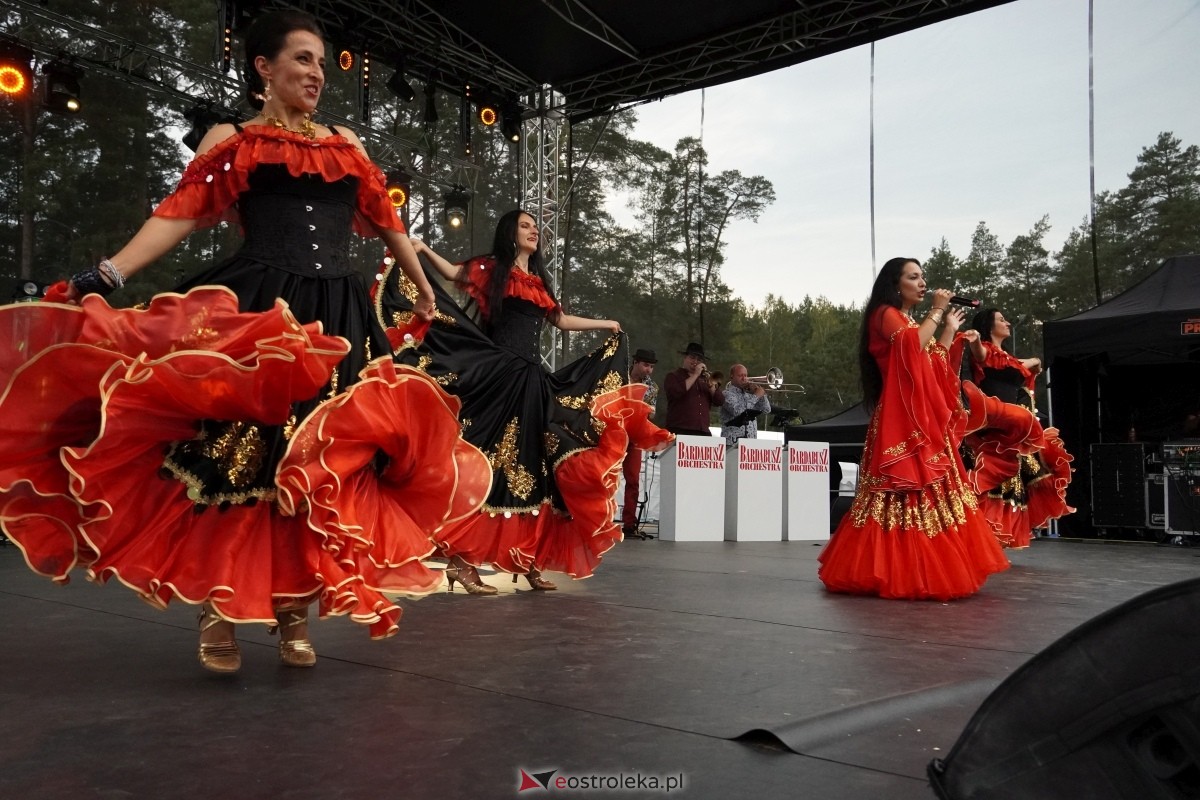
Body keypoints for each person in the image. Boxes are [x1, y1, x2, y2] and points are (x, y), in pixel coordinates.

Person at [0, 10, 486, 673]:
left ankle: (292, 609)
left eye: (321, 62)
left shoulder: (347, 141)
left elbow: (385, 217)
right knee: (242, 459)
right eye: (303, 60)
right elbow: (178, 215)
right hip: (262, 309)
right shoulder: (233, 138)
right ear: (264, 68)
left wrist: (419, 282)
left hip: (338, 314)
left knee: (314, 463)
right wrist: (108, 271)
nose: (317, 73)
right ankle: (221, 607)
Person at [375, 210, 672, 593]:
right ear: (510, 233)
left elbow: (561, 321)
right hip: (499, 377)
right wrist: (421, 248)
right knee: (490, 461)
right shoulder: (493, 268)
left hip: (531, 379)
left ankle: (528, 558)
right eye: (525, 226)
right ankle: (462, 560)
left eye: (535, 227)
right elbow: (452, 273)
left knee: (536, 465)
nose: (534, 231)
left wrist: (605, 324)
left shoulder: (539, 282)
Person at [817, 257, 1011, 600]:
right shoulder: (884, 314)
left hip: (919, 417)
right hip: (899, 418)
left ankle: (925, 566)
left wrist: (949, 329)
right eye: (914, 277)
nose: (922, 283)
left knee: (932, 487)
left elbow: (931, 361)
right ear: (896, 284)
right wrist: (936, 312)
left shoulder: (906, 319)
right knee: (899, 488)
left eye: (923, 277)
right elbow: (910, 348)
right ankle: (892, 569)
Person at [966, 308, 1073, 548]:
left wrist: (1034, 361)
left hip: (1014, 429)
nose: (1007, 323)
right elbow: (980, 354)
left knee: (1013, 482)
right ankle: (979, 533)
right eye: (1001, 320)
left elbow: (1027, 366)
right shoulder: (986, 350)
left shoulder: (1008, 358)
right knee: (993, 477)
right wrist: (973, 341)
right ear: (988, 326)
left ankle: (996, 536)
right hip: (995, 426)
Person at [621, 348, 659, 539]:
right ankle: (597, 520)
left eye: (651, 367)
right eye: (646, 365)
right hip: (613, 432)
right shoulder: (618, 375)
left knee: (633, 480)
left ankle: (628, 524)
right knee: (604, 477)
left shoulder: (652, 387)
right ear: (635, 362)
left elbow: (652, 414)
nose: (649, 370)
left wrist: (645, 410)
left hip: (634, 435)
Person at [664, 342, 724, 436]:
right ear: (685, 358)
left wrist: (711, 385)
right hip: (680, 429)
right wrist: (696, 374)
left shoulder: (706, 378)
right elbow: (675, 392)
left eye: (699, 360)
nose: (695, 362)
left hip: (703, 430)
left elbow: (720, 401)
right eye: (692, 358)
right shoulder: (674, 376)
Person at [719, 364, 772, 443]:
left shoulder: (750, 395)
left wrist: (762, 395)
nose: (744, 378)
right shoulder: (726, 394)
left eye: (745, 375)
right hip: (732, 442)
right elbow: (738, 411)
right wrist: (756, 396)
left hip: (750, 442)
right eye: (740, 375)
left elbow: (767, 410)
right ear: (732, 376)